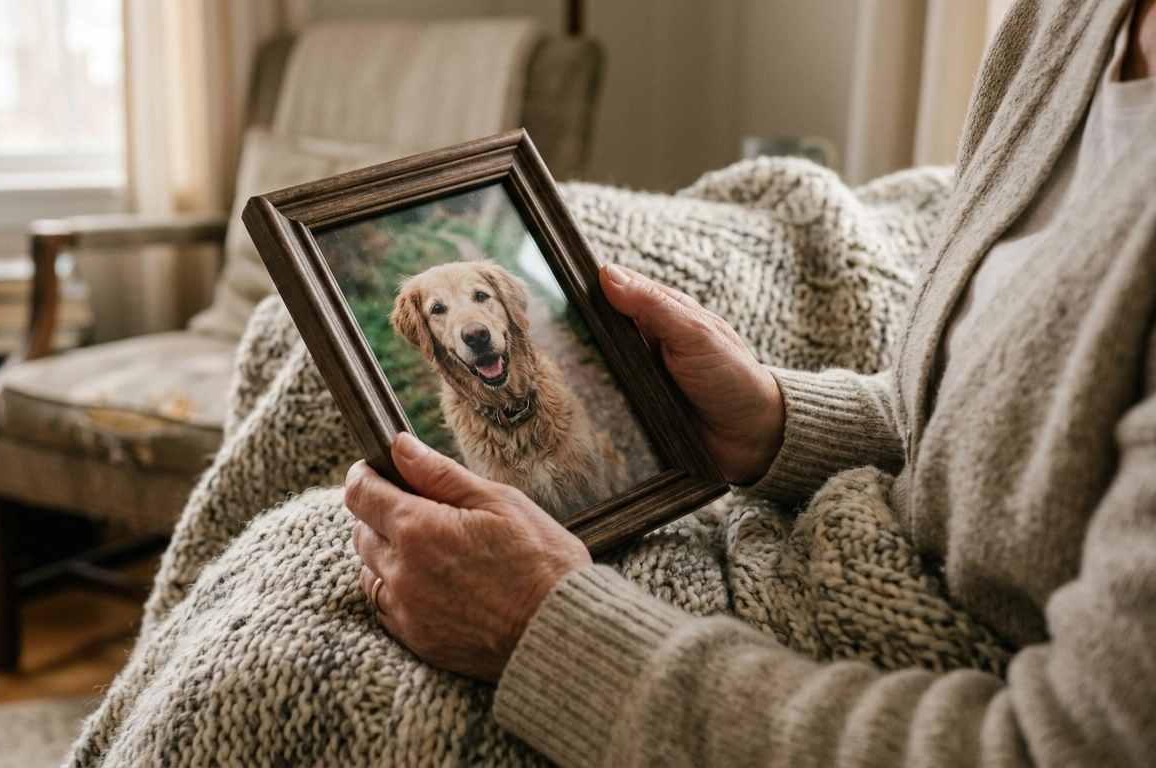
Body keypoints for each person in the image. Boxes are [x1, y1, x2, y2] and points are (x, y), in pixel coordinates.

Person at [345, 0, 1156, 764]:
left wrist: (537, 627)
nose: (473, 321)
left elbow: (1072, 745)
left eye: (481, 299)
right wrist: (777, 422)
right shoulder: (1064, 18)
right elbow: (991, 416)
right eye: (450, 312)